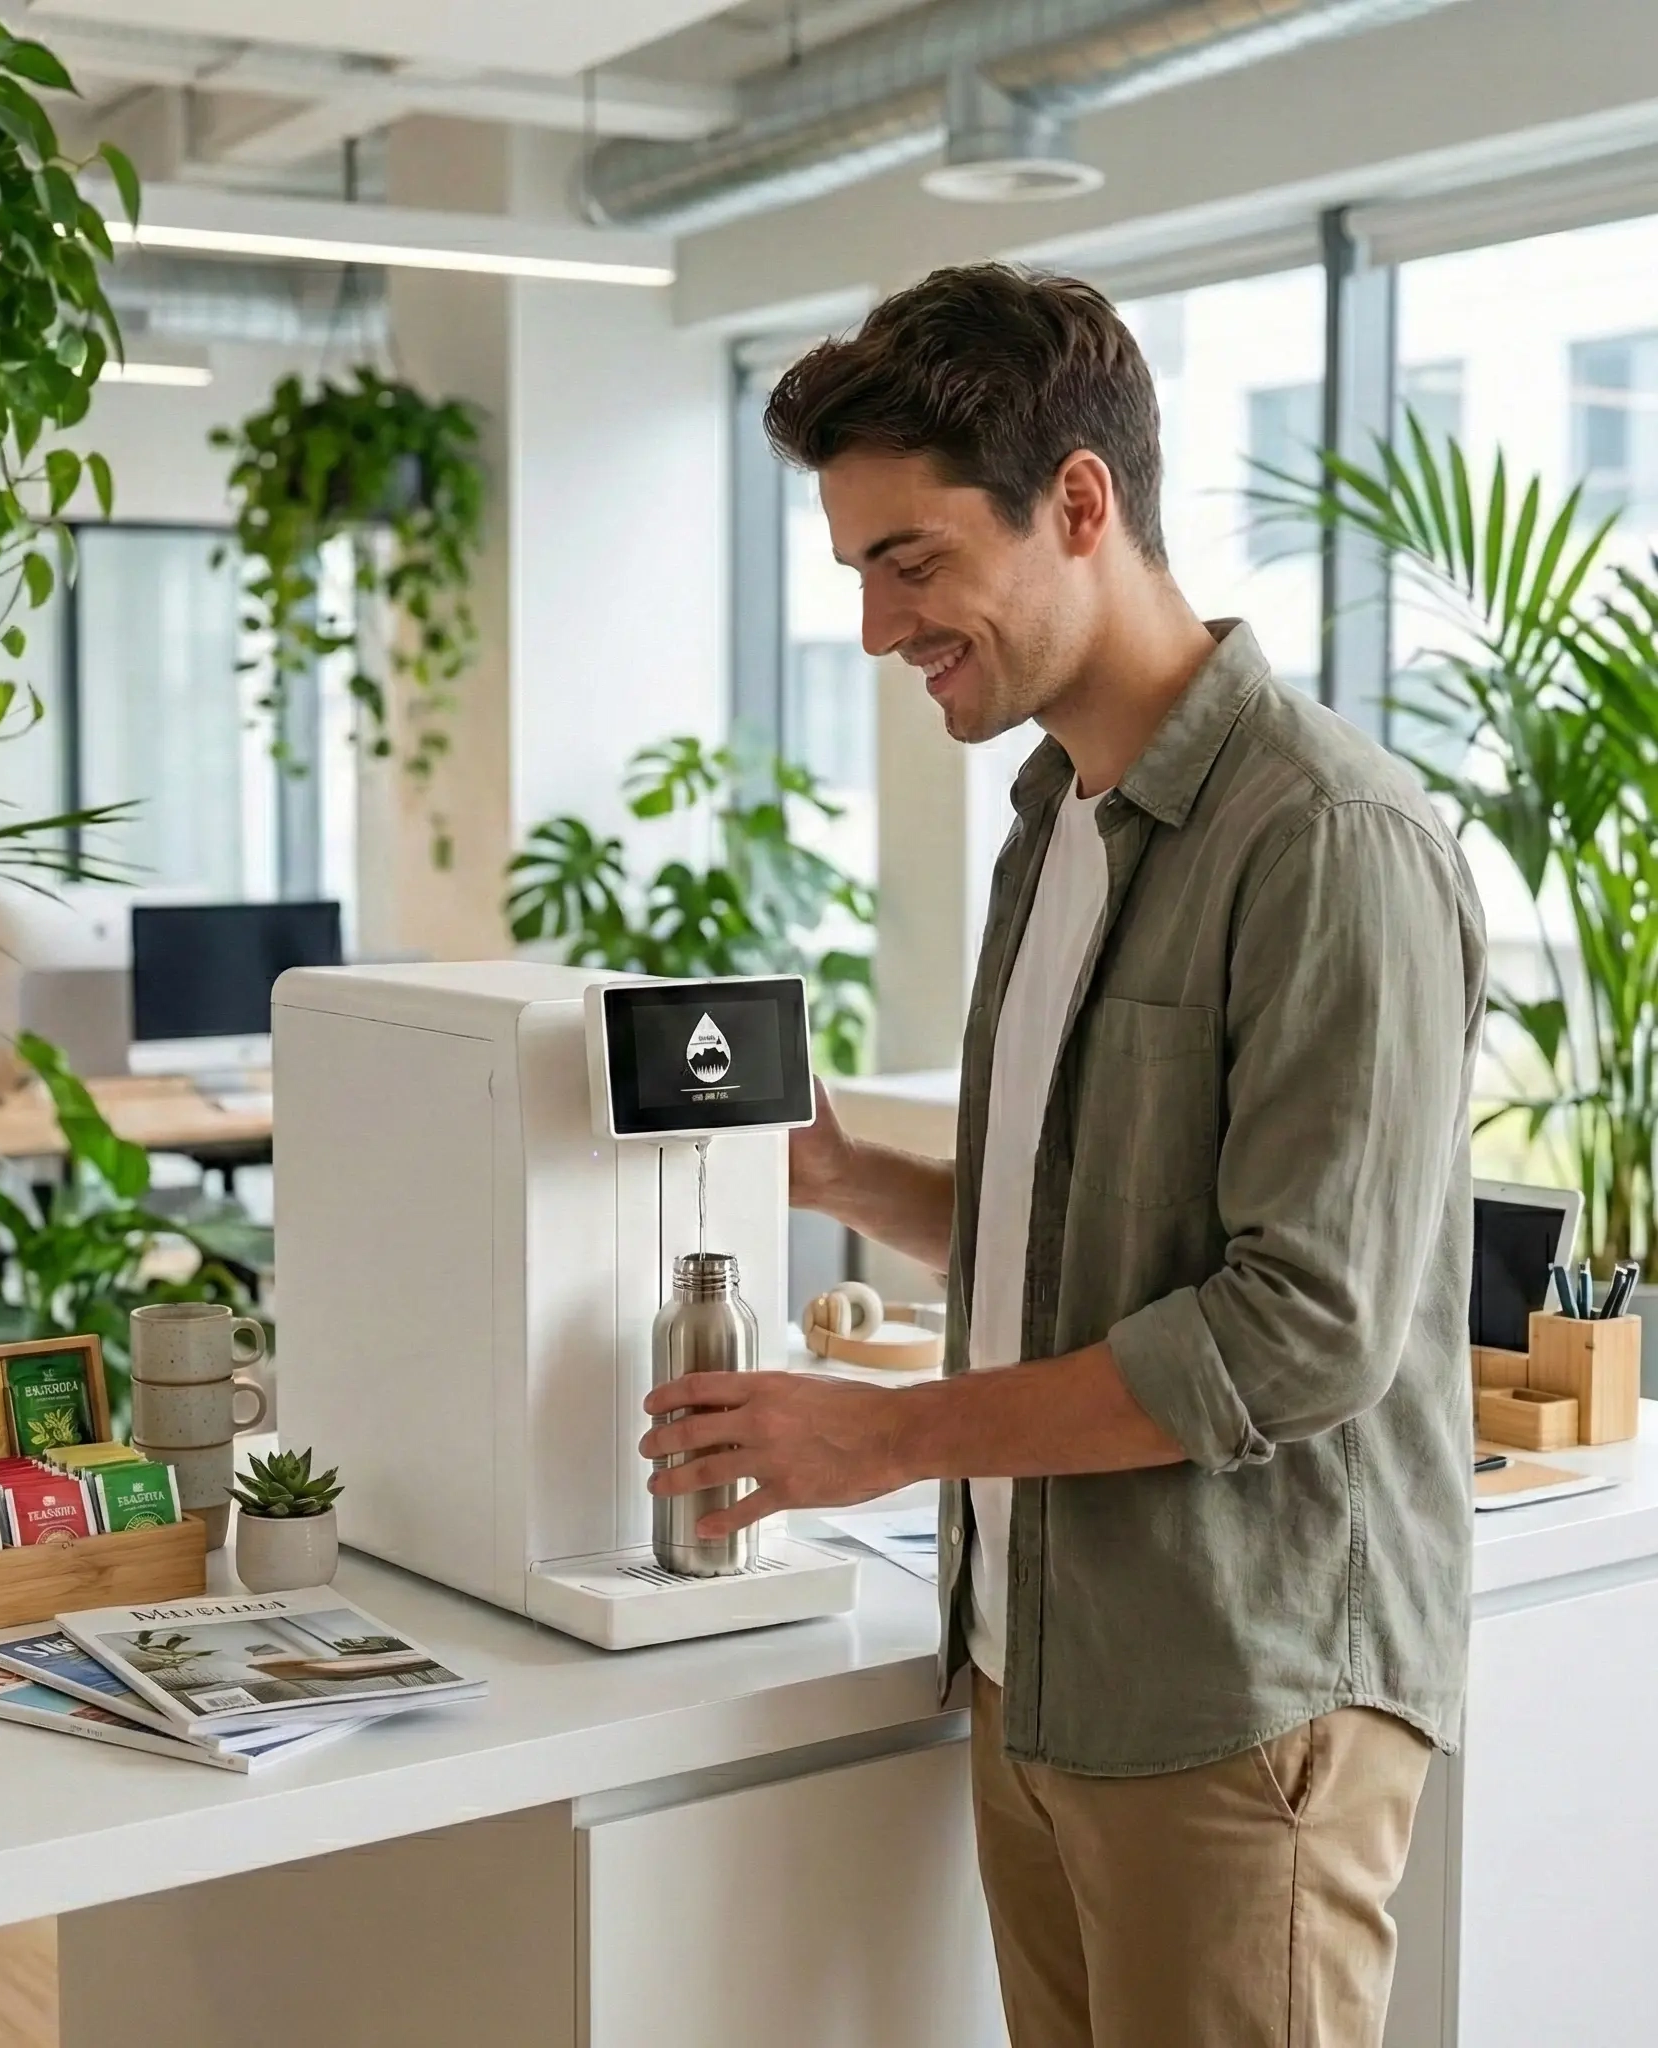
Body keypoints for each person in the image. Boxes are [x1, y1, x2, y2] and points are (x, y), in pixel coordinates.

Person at [641, 264, 1485, 2047]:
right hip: (1037, 1677)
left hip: (1236, 1704)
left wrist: (882, 1439)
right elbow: (1091, 1231)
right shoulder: (1056, 825)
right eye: (859, 571)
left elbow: (1299, 1330)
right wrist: (859, 1186)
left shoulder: (1328, 839)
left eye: (913, 562)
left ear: (1081, 503)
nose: (879, 629)